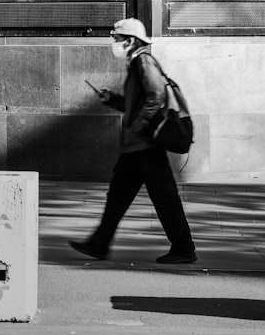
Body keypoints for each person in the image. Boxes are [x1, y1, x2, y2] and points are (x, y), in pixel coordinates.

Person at [69, 17, 198, 264]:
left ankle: (183, 247)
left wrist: (138, 126)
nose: (114, 43)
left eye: (117, 39)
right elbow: (137, 103)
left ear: (129, 41)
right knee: (118, 197)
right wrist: (113, 100)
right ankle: (99, 244)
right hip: (135, 147)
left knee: (164, 197)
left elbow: (156, 95)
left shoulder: (144, 61)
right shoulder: (136, 63)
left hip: (145, 146)